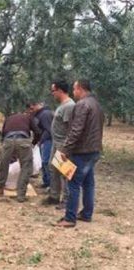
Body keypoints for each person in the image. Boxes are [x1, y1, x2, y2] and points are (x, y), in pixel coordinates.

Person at [55, 79, 103, 228]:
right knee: (88, 183)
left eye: (74, 89)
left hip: (82, 151)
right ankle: (86, 214)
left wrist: (65, 149)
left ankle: (70, 218)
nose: (73, 92)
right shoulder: (97, 105)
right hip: (94, 150)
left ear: (80, 89)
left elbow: (76, 130)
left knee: (73, 184)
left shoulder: (82, 105)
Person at [42, 80, 75, 209]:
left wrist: (67, 147)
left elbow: (70, 128)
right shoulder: (62, 105)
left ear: (60, 90)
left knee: (65, 172)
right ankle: (54, 196)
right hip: (56, 142)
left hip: (63, 144)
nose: (52, 93)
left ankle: (67, 200)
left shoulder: (69, 106)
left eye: (53, 91)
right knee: (53, 168)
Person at [0, 111, 41, 202]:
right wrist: (33, 143)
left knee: (4, 164)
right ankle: (21, 195)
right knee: (26, 166)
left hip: (8, 140)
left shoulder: (8, 118)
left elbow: (3, 133)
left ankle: (0, 188)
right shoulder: (28, 117)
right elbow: (37, 132)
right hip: (23, 140)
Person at [28, 101, 54, 188]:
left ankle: (50, 184)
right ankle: (46, 182)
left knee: (46, 162)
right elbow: (38, 131)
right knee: (43, 163)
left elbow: (48, 130)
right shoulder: (38, 114)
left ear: (38, 105)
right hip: (43, 141)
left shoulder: (45, 114)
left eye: (32, 108)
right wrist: (34, 142)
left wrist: (41, 141)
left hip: (48, 141)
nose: (31, 111)